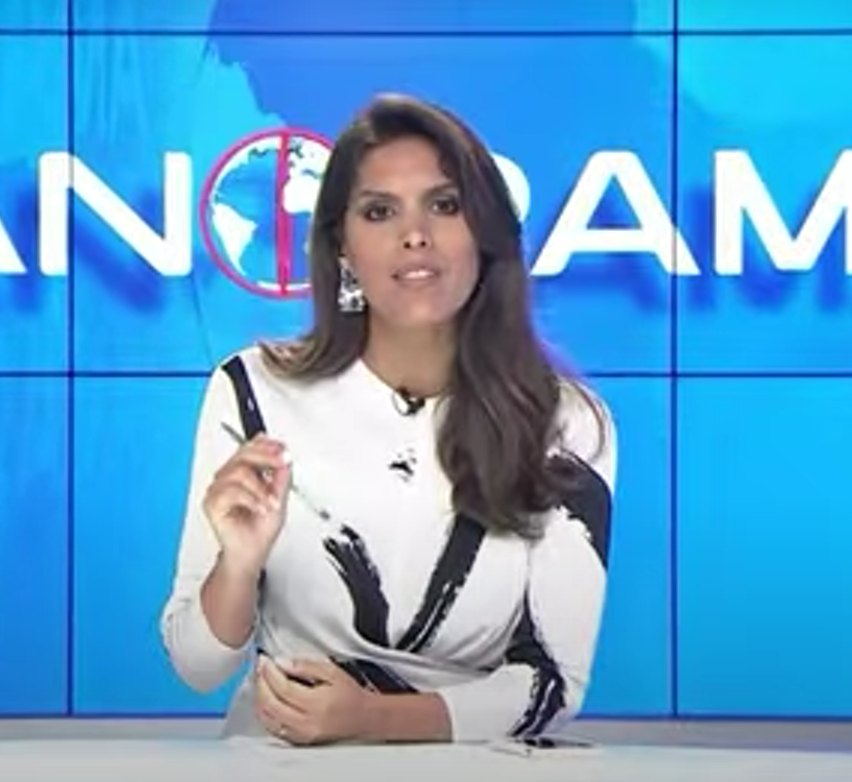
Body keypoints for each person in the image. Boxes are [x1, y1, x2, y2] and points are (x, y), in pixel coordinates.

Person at [159, 92, 616, 746]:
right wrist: (237, 564)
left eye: (445, 205)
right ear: (342, 248)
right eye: (379, 211)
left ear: (485, 234)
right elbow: (197, 667)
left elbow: (554, 683)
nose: (415, 235)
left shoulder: (565, 422)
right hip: (279, 759)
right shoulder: (253, 391)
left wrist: (373, 720)